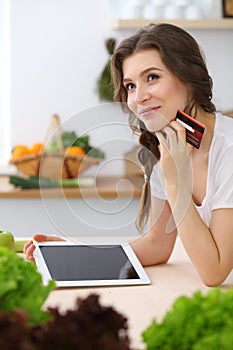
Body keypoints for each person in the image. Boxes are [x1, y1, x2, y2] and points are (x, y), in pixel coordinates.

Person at [24, 23, 233, 286]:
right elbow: (158, 243)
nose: (138, 97)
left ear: (189, 79)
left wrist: (175, 181)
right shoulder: (167, 150)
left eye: (152, 78)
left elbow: (213, 273)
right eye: (131, 86)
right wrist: (76, 254)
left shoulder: (228, 151)